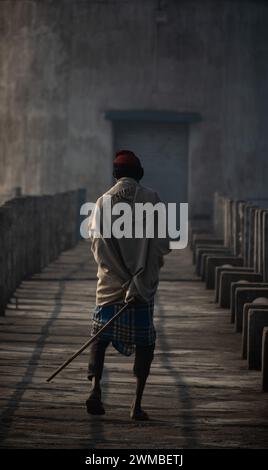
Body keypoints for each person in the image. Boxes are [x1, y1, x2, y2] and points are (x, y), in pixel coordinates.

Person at [87, 150, 170, 420]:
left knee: (100, 340)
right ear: (139, 174)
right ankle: (136, 404)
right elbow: (162, 246)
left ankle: (95, 389)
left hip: (109, 288)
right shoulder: (153, 199)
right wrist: (138, 279)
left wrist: (120, 278)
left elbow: (99, 246)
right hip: (141, 291)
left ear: (115, 174)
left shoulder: (102, 202)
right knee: (145, 345)